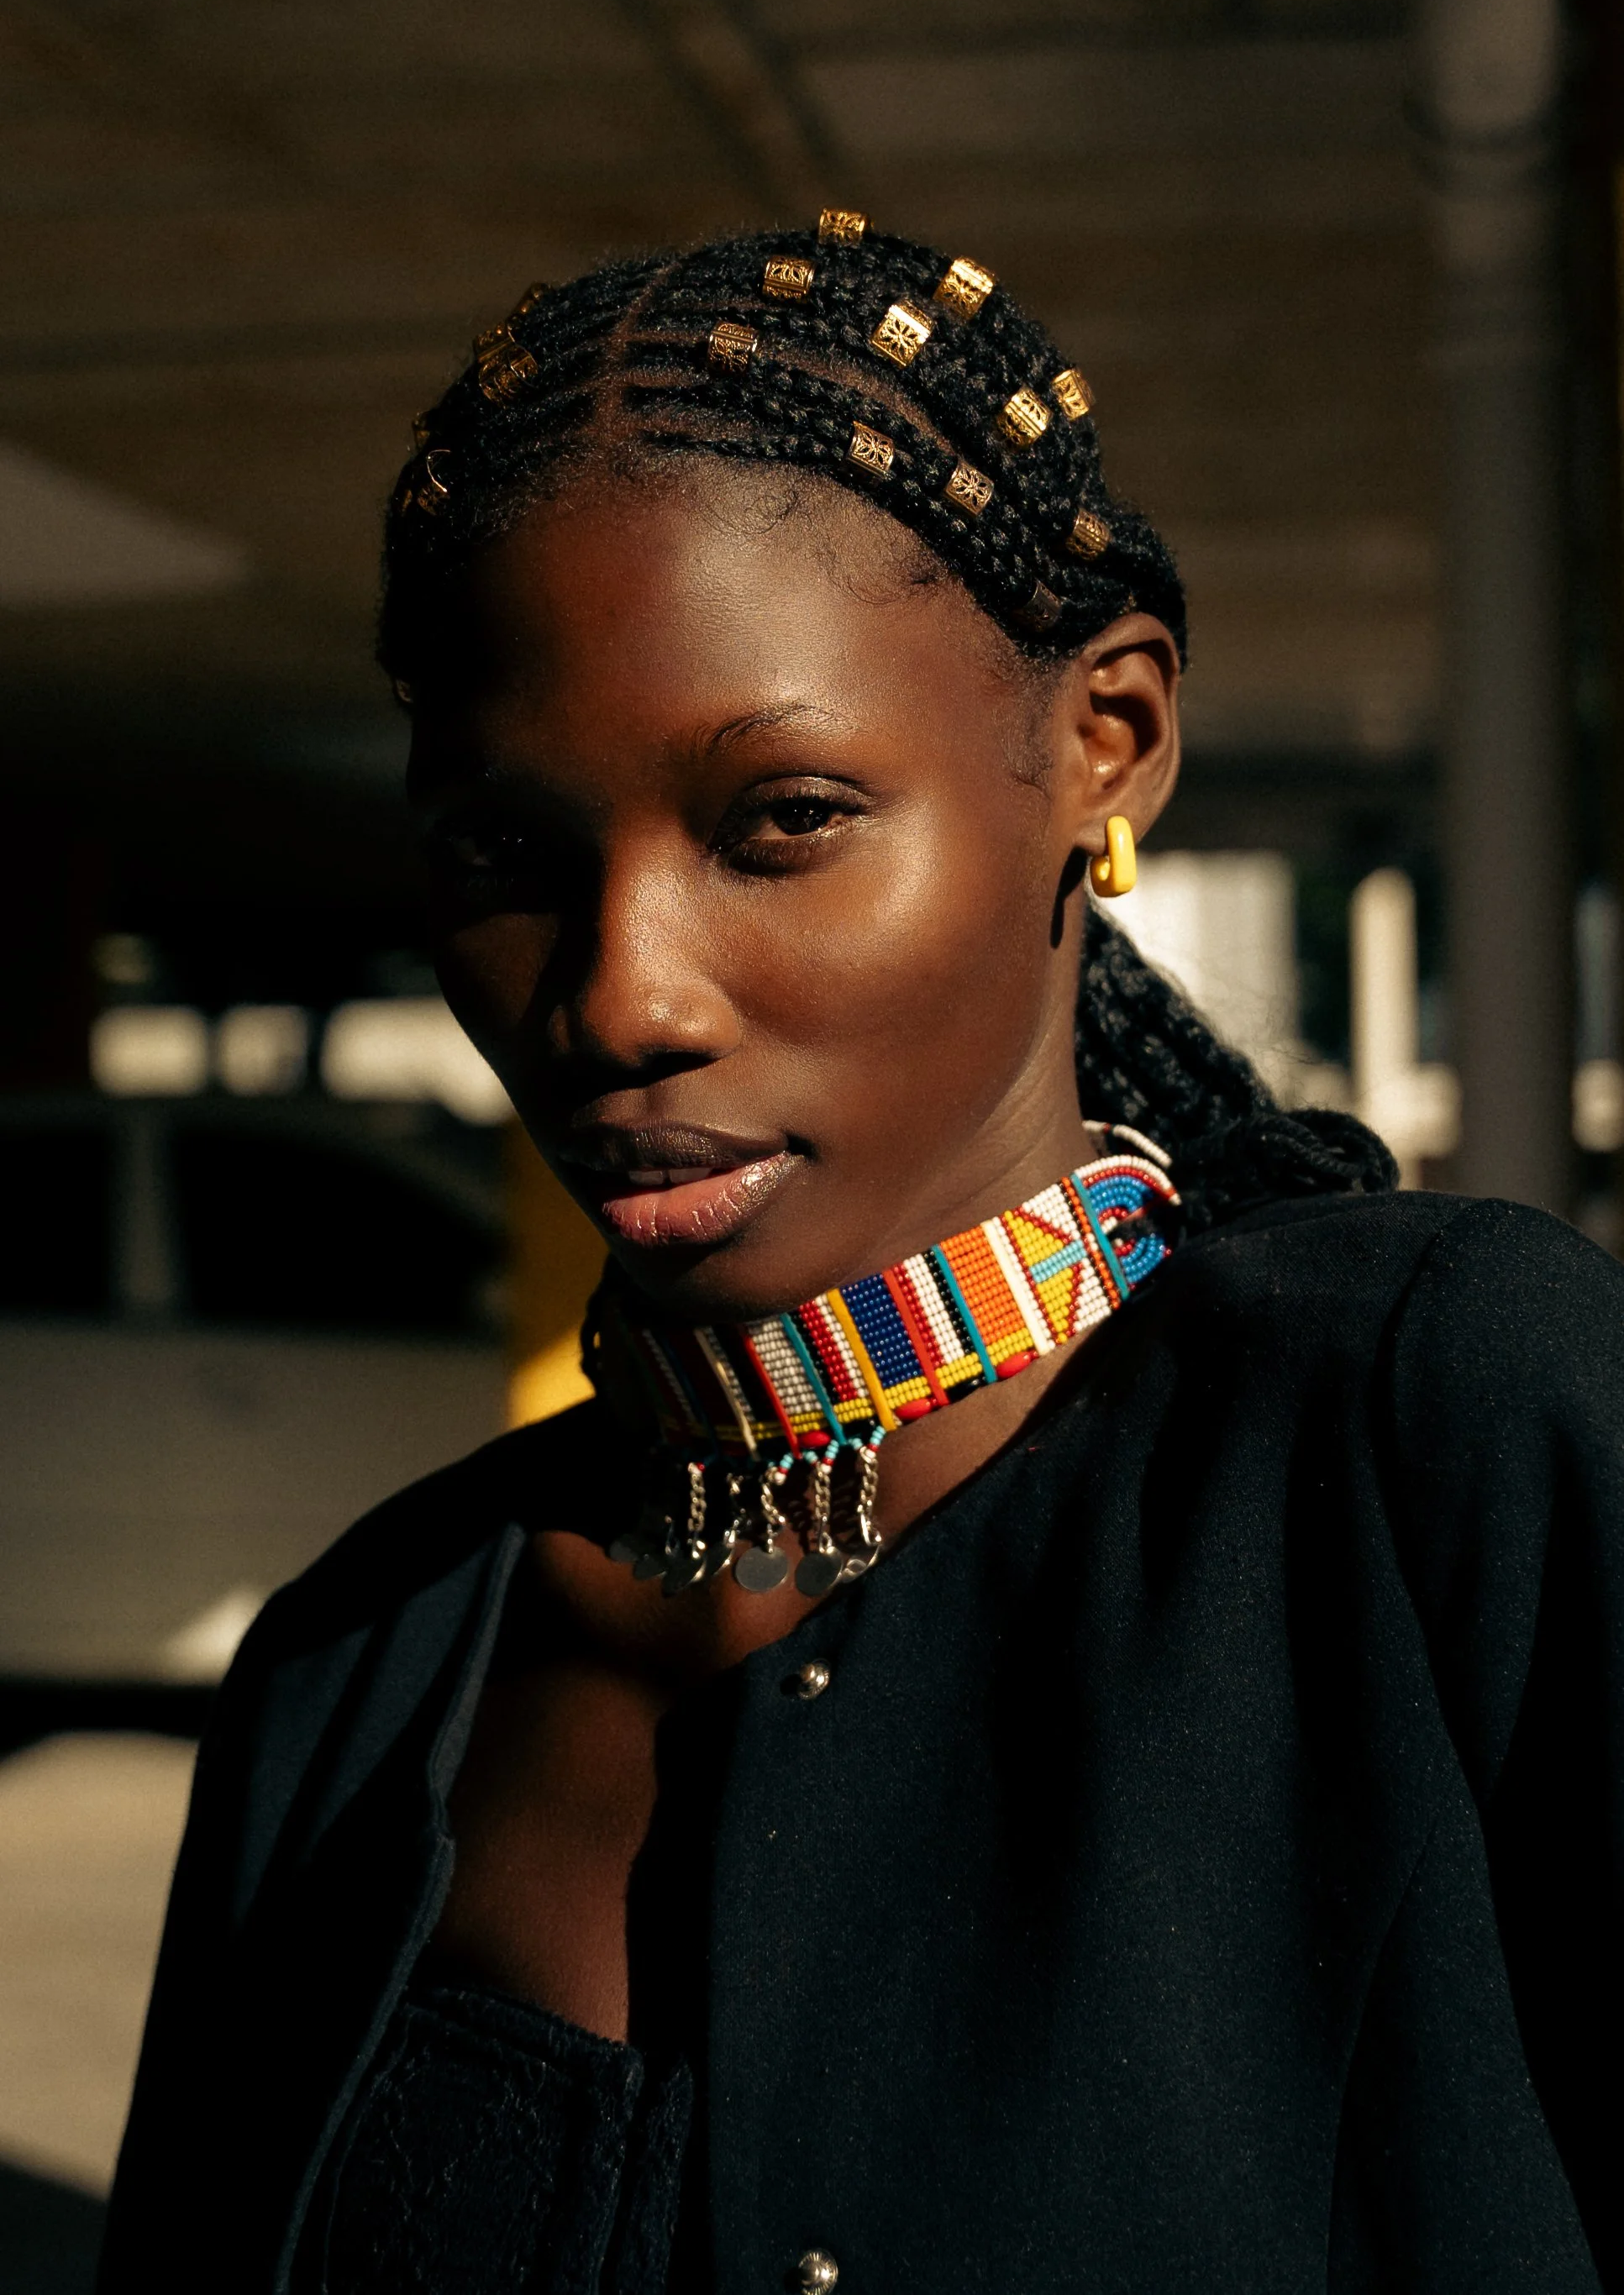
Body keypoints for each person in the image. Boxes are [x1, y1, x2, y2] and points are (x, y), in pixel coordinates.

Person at [100, 219, 1622, 2295]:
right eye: (503, 861)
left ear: (1108, 739)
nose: (620, 998)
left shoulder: (1438, 1429)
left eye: (782, 818)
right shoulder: (359, 1672)